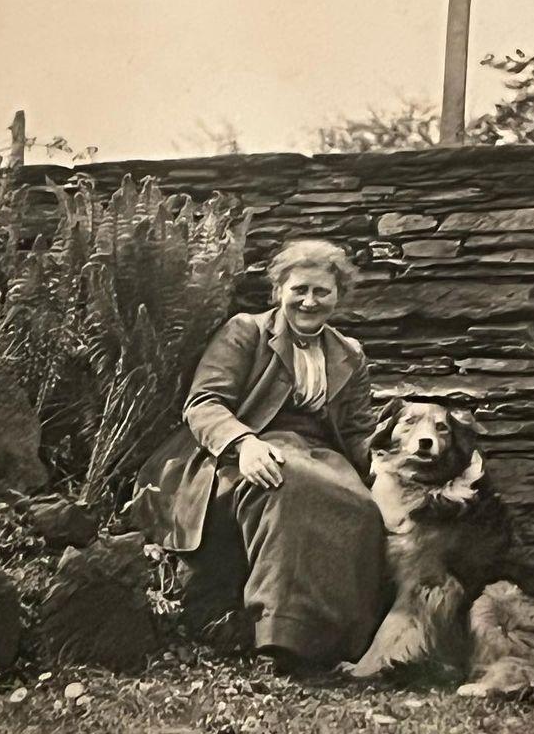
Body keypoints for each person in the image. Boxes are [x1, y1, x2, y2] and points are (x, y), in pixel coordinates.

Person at [131, 238, 386, 666]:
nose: (309, 301)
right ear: (278, 291)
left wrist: (387, 467)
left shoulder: (350, 354)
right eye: (298, 289)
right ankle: (281, 637)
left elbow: (359, 429)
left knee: (362, 507)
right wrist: (243, 443)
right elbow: (204, 403)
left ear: (338, 295)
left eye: (321, 291)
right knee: (287, 483)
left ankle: (342, 644)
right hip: (236, 450)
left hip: (323, 454)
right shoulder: (245, 331)